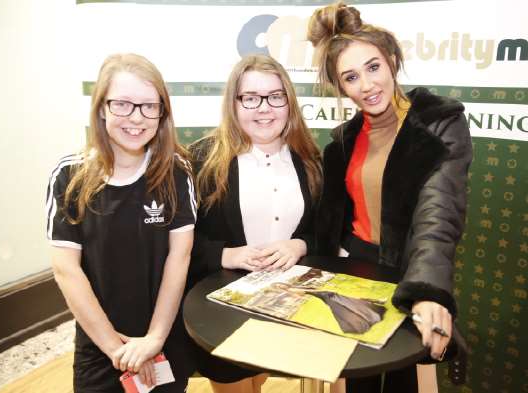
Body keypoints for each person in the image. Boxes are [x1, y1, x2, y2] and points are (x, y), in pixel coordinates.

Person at [307, 2, 472, 392]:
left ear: (392, 61)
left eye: (373, 67)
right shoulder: (341, 143)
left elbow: (439, 211)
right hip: (354, 276)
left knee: (404, 381)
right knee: (359, 380)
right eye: (350, 77)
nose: (366, 85)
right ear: (340, 86)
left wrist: (428, 291)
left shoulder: (438, 124)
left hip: (409, 271)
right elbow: (331, 221)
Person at [46, 53, 197, 393]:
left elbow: (180, 256)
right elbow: (66, 271)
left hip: (163, 338)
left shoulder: (176, 172)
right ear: (102, 108)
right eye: (123, 105)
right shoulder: (69, 175)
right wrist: (119, 351)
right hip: (99, 345)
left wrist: (155, 338)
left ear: (162, 112)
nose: (137, 118)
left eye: (149, 106)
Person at [188, 54, 323, 393]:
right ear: (233, 103)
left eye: (275, 96)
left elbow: (326, 229)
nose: (264, 108)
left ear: (289, 102)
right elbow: (174, 241)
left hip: (288, 307)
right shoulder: (201, 160)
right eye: (250, 98)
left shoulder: (310, 161)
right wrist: (226, 256)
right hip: (221, 306)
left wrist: (300, 244)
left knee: (260, 378)